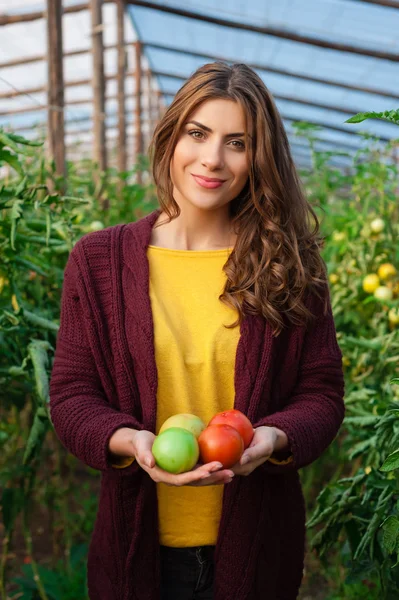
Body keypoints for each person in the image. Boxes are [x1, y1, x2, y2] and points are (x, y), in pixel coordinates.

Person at [49, 61, 345, 600]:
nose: (212, 159)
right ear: (171, 136)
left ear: (261, 158)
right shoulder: (97, 262)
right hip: (138, 549)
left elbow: (320, 393)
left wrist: (272, 438)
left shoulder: (289, 264)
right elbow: (72, 396)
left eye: (237, 142)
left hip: (256, 549)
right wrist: (130, 441)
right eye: (198, 133)